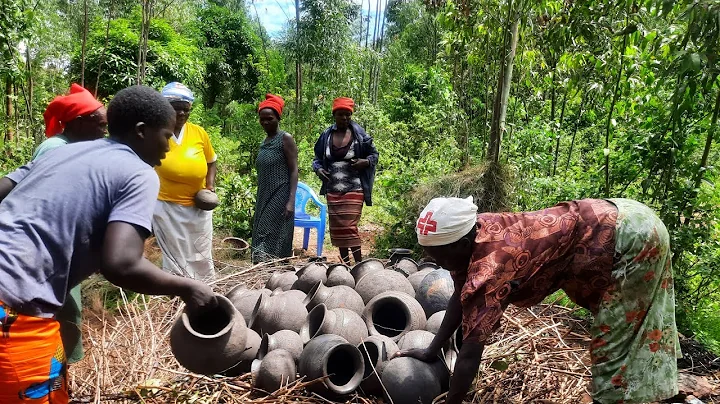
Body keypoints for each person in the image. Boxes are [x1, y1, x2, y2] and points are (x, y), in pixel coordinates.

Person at [0, 85, 217, 404]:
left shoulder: (63, 151)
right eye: (166, 136)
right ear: (142, 132)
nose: (169, 147)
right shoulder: (139, 173)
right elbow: (122, 264)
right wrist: (190, 288)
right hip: (15, 310)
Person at [397, 196, 680, 404]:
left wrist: (452, 402)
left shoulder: (492, 267)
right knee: (626, 326)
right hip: (620, 213)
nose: (434, 262)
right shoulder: (476, 231)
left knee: (614, 337)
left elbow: (471, 352)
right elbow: (461, 297)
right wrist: (432, 349)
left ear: (460, 244)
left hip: (632, 236)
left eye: (439, 255)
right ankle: (661, 392)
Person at [31, 83, 108, 369]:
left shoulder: (77, 148)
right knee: (58, 314)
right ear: (79, 122)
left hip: (63, 248)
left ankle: (59, 380)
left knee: (66, 312)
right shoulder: (54, 148)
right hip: (47, 249)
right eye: (100, 125)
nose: (104, 132)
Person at [152, 82, 217, 281]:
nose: (181, 114)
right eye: (175, 108)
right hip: (167, 207)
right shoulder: (155, 132)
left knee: (201, 251)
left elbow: (211, 161)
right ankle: (177, 293)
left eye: (185, 110)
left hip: (198, 208)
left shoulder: (199, 133)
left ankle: (204, 289)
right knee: (175, 255)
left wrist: (210, 187)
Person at [312, 97, 378, 265]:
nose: (345, 118)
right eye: (341, 115)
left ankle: (359, 265)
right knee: (339, 229)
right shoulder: (326, 135)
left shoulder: (359, 134)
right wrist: (319, 169)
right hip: (333, 189)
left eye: (348, 115)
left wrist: (366, 162)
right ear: (334, 115)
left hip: (354, 187)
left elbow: (374, 155)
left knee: (350, 227)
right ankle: (345, 264)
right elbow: (317, 159)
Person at [251, 94, 298, 263]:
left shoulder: (285, 139)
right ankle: (268, 272)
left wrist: (291, 201)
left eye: (269, 119)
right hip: (264, 195)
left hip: (280, 194)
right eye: (262, 119)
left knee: (269, 232)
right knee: (262, 231)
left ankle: (266, 267)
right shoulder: (264, 142)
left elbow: (294, 170)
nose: (265, 123)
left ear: (278, 118)